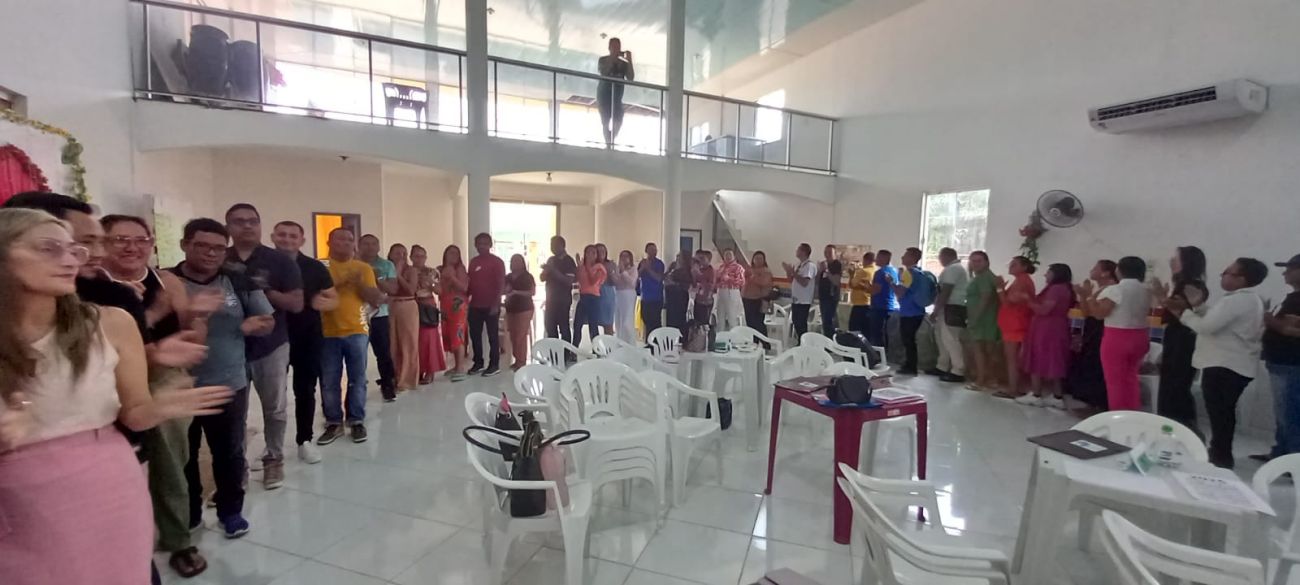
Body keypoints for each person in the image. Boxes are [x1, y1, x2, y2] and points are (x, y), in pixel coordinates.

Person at [0, 208, 233, 585]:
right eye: (48, 248)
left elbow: (135, 412)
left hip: (106, 474)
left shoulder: (110, 319)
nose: (70, 260)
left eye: (73, 250)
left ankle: (179, 538)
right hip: (20, 495)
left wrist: (161, 405)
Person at [101, 214, 214, 576]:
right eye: (121, 240)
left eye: (141, 240)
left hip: (162, 379)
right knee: (116, 469)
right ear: (102, 243)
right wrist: (152, 314)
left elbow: (190, 337)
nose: (132, 248)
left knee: (170, 465)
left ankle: (178, 541)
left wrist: (196, 317)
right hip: (106, 383)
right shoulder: (92, 286)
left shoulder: (165, 281)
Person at [170, 218, 275, 539]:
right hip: (177, 386)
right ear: (185, 245)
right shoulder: (166, 281)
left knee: (229, 452)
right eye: (202, 245)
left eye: (218, 248)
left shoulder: (237, 281)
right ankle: (189, 514)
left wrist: (256, 325)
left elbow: (267, 320)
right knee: (183, 455)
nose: (211, 253)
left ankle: (231, 512)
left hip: (229, 381)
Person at [223, 204, 303, 489]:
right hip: (230, 346)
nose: (247, 226)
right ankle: (237, 468)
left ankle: (274, 458)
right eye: (239, 221)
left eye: (252, 221)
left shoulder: (279, 261)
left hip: (271, 345)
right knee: (234, 413)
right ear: (228, 227)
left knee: (275, 408)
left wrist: (261, 290)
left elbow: (296, 303)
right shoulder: (220, 259)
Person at [1166, 258, 1268, 469]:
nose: (1223, 276)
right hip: (1232, 363)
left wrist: (1183, 313)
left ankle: (1220, 457)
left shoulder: (1238, 301)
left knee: (1220, 414)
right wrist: (1198, 306)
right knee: (1222, 413)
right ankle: (1220, 453)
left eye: (1227, 272)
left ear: (1242, 279)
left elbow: (1206, 327)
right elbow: (1216, 319)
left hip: (1225, 364)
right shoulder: (1248, 299)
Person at [270, 220, 335, 465]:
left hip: (307, 336)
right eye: (282, 235)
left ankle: (304, 440)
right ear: (273, 237)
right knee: (273, 394)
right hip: (271, 338)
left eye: (292, 236)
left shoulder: (314, 267)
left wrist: (324, 303)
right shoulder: (263, 264)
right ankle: (272, 446)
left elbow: (334, 298)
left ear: (302, 240)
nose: (287, 239)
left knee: (305, 389)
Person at [318, 228, 384, 445]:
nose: (346, 243)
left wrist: (358, 283)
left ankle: (356, 420)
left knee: (358, 378)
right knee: (329, 380)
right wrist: (342, 282)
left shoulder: (363, 268)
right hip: (327, 331)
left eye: (349, 240)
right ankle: (333, 422)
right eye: (341, 239)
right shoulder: (321, 266)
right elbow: (315, 295)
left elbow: (375, 299)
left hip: (357, 329)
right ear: (329, 242)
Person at [1078, 256, 1151, 412]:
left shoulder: (1116, 289)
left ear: (1120, 270)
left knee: (1115, 382)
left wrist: (1089, 296)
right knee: (1131, 378)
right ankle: (1132, 413)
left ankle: (1117, 416)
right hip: (1141, 335)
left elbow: (1099, 314)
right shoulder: (1145, 290)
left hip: (1118, 337)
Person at [1150, 246, 1209, 436]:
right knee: (1170, 383)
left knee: (1177, 385)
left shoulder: (1193, 285)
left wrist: (1161, 296)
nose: (1171, 262)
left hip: (1184, 339)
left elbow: (1181, 310)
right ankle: (1169, 425)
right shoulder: (1182, 284)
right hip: (1176, 336)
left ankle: (1183, 428)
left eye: (1176, 259)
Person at [1258, 254, 1300, 461]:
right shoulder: (1293, 298)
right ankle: (1280, 453)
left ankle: (1292, 461)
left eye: (1290, 269)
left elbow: (1290, 330)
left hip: (1291, 364)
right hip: (1280, 362)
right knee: (1282, 411)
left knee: (1291, 413)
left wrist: (1269, 319)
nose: (1285, 273)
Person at [1016, 263, 1076, 409]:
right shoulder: (1064, 288)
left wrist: (1027, 300)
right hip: (1054, 327)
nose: (1045, 275)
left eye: (1048, 272)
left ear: (1056, 274)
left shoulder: (1056, 289)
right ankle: (1057, 396)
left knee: (1038, 358)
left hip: (1047, 329)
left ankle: (1036, 394)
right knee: (1054, 360)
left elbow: (1044, 310)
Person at [1066, 260, 1118, 410]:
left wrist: (1087, 295)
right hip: (1092, 328)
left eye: (1095, 268)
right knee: (1089, 363)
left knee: (1097, 366)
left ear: (1106, 273)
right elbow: (1086, 312)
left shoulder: (1111, 289)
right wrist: (1083, 295)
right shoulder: (1099, 289)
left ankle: (1099, 403)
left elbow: (1097, 314)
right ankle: (1091, 401)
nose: (1091, 270)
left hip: (1101, 329)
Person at [358, 234, 398, 401]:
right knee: (358, 355)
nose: (370, 247)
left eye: (373, 244)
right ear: (359, 246)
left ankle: (388, 385)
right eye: (366, 244)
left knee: (383, 353)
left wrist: (377, 278)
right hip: (357, 316)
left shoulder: (387, 265)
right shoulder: (353, 264)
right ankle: (357, 388)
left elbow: (393, 289)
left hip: (379, 315)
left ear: (379, 246)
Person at [995, 256, 1037, 397]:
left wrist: (1000, 289)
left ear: (1024, 267)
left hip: (1015, 325)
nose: (1011, 266)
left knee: (1012, 359)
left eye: (1015, 264)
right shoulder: (1021, 280)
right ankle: (1017, 387)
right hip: (1014, 324)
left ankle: (1013, 389)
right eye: (1011, 263)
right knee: (1014, 358)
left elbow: (1008, 303)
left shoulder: (1023, 281)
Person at [467, 233, 506, 377]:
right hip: (475, 305)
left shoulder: (497, 262)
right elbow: (470, 283)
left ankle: (494, 364)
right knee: (475, 336)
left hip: (491, 305)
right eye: (479, 243)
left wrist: (496, 304)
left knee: (492, 336)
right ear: (475, 245)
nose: (482, 246)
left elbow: (501, 284)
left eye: (485, 243)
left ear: (490, 245)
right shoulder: (473, 262)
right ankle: (478, 363)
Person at [928, 248, 969, 383]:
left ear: (945, 256)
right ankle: (942, 366)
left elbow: (946, 291)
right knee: (941, 337)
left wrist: (936, 310)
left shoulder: (953, 269)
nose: (940, 260)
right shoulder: (955, 268)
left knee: (950, 339)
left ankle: (958, 370)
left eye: (940, 257)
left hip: (952, 307)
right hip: (947, 307)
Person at [386, 243, 422, 393]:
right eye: (397, 253)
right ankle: (394, 377)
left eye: (403, 253)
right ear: (390, 255)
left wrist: (398, 274)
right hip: (390, 305)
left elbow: (411, 290)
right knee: (392, 344)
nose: (401, 256)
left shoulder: (411, 270)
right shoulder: (386, 267)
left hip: (407, 305)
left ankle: (406, 380)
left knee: (408, 343)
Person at [891, 247, 932, 376]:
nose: (902, 257)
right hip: (918, 311)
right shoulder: (918, 273)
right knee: (910, 340)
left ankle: (910, 366)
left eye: (906, 255)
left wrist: (891, 283)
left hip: (909, 312)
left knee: (908, 340)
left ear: (912, 258)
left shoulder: (908, 273)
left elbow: (900, 293)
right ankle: (910, 365)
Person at [964, 251, 1001, 390]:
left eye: (979, 261)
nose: (975, 264)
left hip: (983, 319)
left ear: (986, 262)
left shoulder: (984, 277)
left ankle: (981, 381)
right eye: (973, 261)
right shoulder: (983, 276)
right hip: (987, 318)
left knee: (980, 350)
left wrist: (975, 318)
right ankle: (990, 379)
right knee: (988, 351)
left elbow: (986, 297)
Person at [408, 245, 445, 383]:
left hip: (427, 304)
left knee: (429, 338)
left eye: (422, 256)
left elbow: (440, 291)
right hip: (411, 304)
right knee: (414, 339)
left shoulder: (432, 272)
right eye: (416, 256)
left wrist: (430, 284)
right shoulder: (408, 271)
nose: (419, 259)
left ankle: (430, 371)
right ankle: (417, 370)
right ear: (411, 257)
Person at [437, 245, 470, 381]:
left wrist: (452, 278)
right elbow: (439, 290)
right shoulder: (440, 269)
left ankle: (460, 367)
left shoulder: (460, 269)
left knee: (458, 333)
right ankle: (456, 365)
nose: (454, 255)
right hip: (445, 304)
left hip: (458, 304)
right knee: (449, 334)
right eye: (450, 253)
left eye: (456, 253)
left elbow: (465, 288)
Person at [596, 37, 634, 147]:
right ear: (609, 48)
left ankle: (611, 139)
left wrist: (630, 61)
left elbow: (630, 78)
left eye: (618, 47)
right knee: (605, 121)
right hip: (604, 96)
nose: (616, 49)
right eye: (614, 47)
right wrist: (612, 58)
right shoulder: (603, 60)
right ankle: (608, 144)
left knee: (619, 120)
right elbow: (604, 72)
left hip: (617, 98)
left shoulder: (623, 64)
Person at [540, 236, 577, 346]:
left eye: (555, 245)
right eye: (551, 245)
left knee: (564, 327)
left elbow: (568, 281)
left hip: (563, 300)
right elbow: (542, 278)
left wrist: (553, 270)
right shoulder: (551, 260)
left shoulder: (569, 261)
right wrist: (546, 271)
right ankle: (554, 351)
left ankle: (565, 352)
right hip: (550, 299)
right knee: (550, 326)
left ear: (562, 246)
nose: (552, 248)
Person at [505, 253, 536, 370]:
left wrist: (516, 292)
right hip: (510, 308)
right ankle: (517, 359)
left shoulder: (527, 277)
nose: (515, 263)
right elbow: (503, 290)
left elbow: (532, 292)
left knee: (520, 336)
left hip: (524, 308)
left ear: (523, 263)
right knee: (513, 336)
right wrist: (506, 291)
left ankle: (521, 362)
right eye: (513, 261)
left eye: (518, 261)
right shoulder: (508, 277)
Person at [574, 245, 608, 345]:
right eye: (588, 252)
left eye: (593, 253)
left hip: (593, 299)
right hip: (583, 297)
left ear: (597, 255)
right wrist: (579, 267)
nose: (590, 255)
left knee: (593, 326)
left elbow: (593, 281)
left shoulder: (600, 268)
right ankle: (574, 348)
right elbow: (577, 280)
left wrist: (588, 267)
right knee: (577, 324)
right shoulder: (582, 267)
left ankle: (596, 349)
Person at [783, 243, 817, 339]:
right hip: (796, 299)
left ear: (804, 252)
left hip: (804, 300)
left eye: (798, 249)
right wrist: (788, 271)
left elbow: (805, 282)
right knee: (795, 321)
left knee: (801, 323)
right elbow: (791, 280)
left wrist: (793, 272)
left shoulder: (809, 266)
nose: (796, 251)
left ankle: (804, 342)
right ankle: (800, 341)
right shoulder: (799, 265)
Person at [868, 250, 899, 349]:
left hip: (879, 306)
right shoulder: (894, 271)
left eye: (878, 257)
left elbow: (876, 290)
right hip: (890, 306)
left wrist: (867, 287)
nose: (876, 259)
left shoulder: (880, 272)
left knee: (877, 334)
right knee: (885, 333)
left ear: (884, 258)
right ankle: (885, 354)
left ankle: (878, 355)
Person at [742, 251, 774, 335]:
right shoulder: (750, 269)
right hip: (747, 298)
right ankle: (754, 341)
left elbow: (763, 282)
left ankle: (765, 341)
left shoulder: (766, 271)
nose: (758, 260)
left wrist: (752, 276)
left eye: (760, 259)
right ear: (753, 260)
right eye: (756, 258)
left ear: (764, 260)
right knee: (749, 322)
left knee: (758, 323)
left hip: (758, 300)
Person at [715, 248, 746, 331]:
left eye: (730, 254)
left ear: (734, 256)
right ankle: (720, 335)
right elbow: (716, 280)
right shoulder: (721, 267)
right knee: (720, 316)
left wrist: (729, 279)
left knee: (732, 316)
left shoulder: (738, 267)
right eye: (726, 255)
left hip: (731, 291)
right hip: (720, 292)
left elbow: (741, 282)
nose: (728, 256)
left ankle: (733, 336)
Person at [638, 242, 666, 334]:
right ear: (646, 251)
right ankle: (648, 340)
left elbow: (659, 278)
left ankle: (656, 340)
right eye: (651, 250)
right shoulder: (643, 263)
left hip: (656, 298)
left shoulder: (659, 263)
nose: (654, 252)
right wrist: (642, 267)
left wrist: (648, 268)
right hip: (645, 297)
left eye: (655, 250)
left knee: (655, 322)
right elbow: (637, 276)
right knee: (645, 320)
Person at [612, 250, 639, 343]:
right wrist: (613, 274)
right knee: (618, 321)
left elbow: (631, 282)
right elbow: (616, 282)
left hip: (628, 294)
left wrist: (623, 271)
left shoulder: (633, 269)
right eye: (622, 256)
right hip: (618, 294)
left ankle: (629, 343)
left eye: (626, 256)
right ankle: (620, 342)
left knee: (626, 321)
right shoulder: (617, 269)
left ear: (630, 258)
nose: (623, 258)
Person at [848, 252, 876, 338]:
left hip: (860, 304)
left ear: (865, 260)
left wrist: (851, 275)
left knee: (854, 331)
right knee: (867, 332)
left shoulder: (863, 271)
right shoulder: (876, 271)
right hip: (870, 303)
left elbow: (853, 284)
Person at [816, 245, 843, 334]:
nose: (827, 254)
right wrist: (820, 270)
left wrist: (827, 270)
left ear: (835, 253)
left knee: (829, 322)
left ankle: (832, 339)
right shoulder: (823, 264)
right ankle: (827, 338)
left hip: (831, 297)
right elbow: (816, 281)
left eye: (830, 252)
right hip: (823, 296)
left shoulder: (837, 264)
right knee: (825, 321)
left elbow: (836, 281)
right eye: (825, 252)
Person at [665, 250, 693, 330]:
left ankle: (680, 334)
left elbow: (687, 283)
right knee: (670, 317)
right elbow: (666, 275)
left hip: (680, 295)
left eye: (680, 256)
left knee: (678, 317)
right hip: (670, 294)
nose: (677, 257)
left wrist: (674, 283)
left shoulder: (687, 269)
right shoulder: (673, 265)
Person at [597, 243, 618, 336]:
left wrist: (610, 273)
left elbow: (616, 282)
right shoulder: (591, 265)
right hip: (594, 294)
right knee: (594, 323)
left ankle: (609, 343)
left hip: (607, 294)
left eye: (603, 251)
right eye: (598, 251)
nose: (601, 253)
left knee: (608, 323)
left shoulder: (611, 264)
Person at [692, 249, 717, 323]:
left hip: (706, 301)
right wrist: (694, 274)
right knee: (697, 320)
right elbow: (694, 283)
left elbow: (710, 285)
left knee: (704, 322)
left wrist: (700, 283)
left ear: (708, 259)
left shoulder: (711, 270)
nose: (700, 261)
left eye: (702, 258)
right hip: (698, 299)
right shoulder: (699, 269)